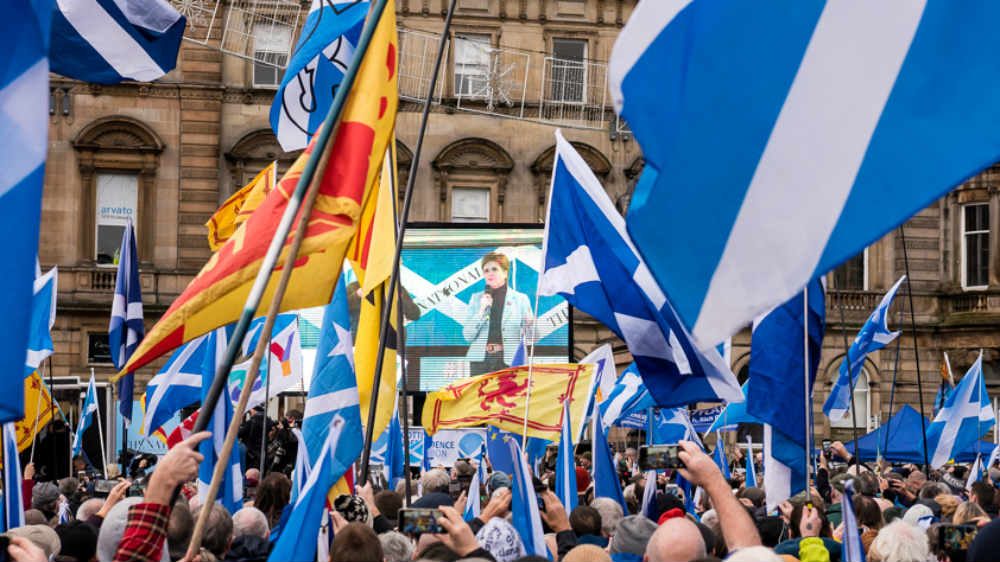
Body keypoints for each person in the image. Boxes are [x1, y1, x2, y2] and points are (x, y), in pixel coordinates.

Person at [462, 252, 533, 376]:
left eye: (494, 269)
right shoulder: (476, 298)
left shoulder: (521, 299)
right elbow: (467, 336)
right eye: (486, 270)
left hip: (509, 361)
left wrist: (530, 324)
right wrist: (481, 310)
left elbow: (534, 337)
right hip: (480, 362)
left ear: (505, 273)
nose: (489, 273)